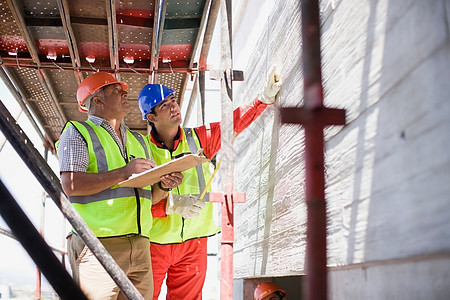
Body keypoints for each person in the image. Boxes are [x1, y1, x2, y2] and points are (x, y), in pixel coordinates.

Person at [137, 66, 282, 299]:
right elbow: (135, 202)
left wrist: (262, 100)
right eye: (165, 105)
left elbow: (232, 123)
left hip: (194, 243)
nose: (174, 106)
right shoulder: (140, 149)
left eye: (173, 100)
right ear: (151, 117)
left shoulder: (199, 138)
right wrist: (169, 205)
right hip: (155, 243)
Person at [57, 72, 182, 300]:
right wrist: (124, 172)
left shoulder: (139, 141)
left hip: (141, 245)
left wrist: (164, 186)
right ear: (97, 100)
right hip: (98, 246)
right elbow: (71, 185)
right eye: (116, 90)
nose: (125, 93)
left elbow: (146, 198)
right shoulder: (78, 132)